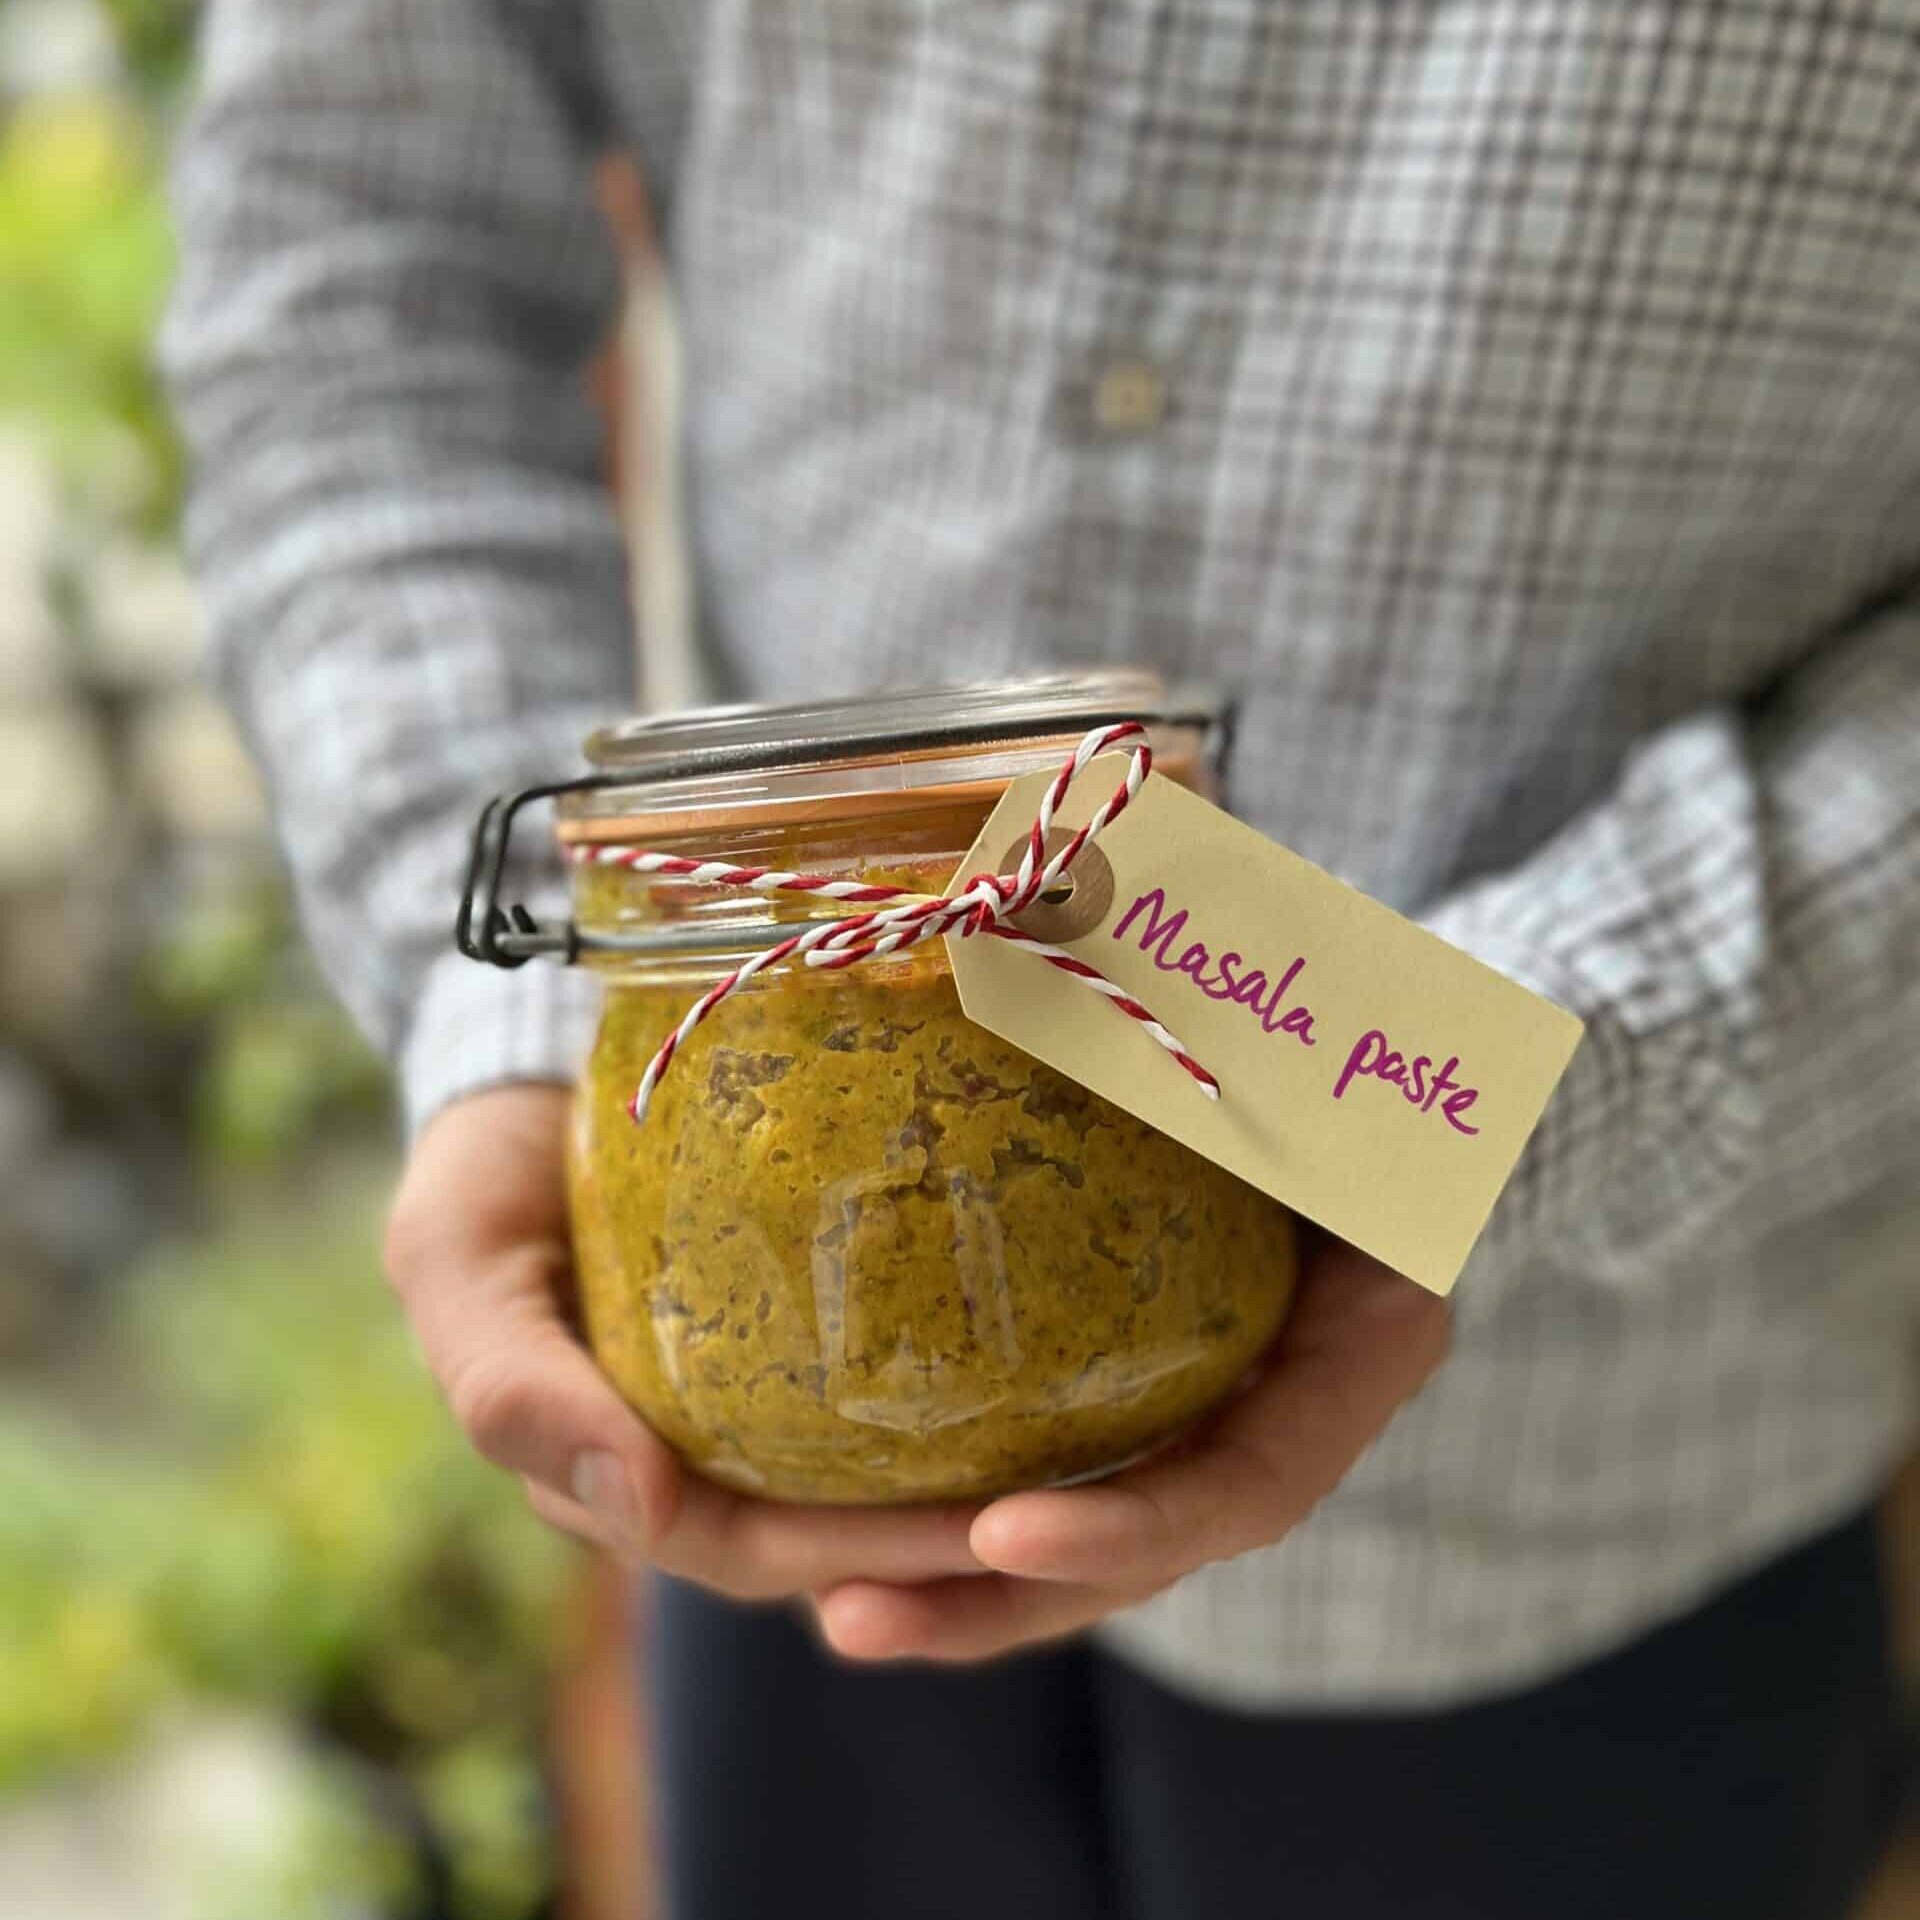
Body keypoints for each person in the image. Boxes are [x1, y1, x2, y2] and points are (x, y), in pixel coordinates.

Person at [164, 5, 1920, 1916]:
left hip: (1626, 1457)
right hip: (757, 1481)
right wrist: (504, 1015)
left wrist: (1490, 1080)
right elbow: (350, 235)